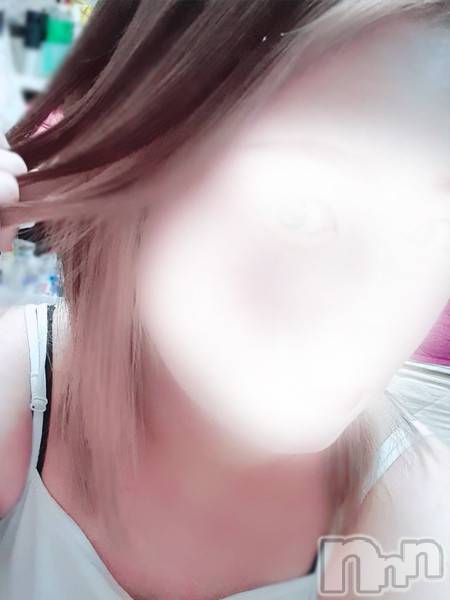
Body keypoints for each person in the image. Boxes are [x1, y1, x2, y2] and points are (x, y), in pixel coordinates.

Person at [0, 1, 449, 599]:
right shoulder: (24, 389)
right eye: (303, 212)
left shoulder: (411, 519)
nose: (379, 311)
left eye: (436, 231)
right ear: (137, 153)